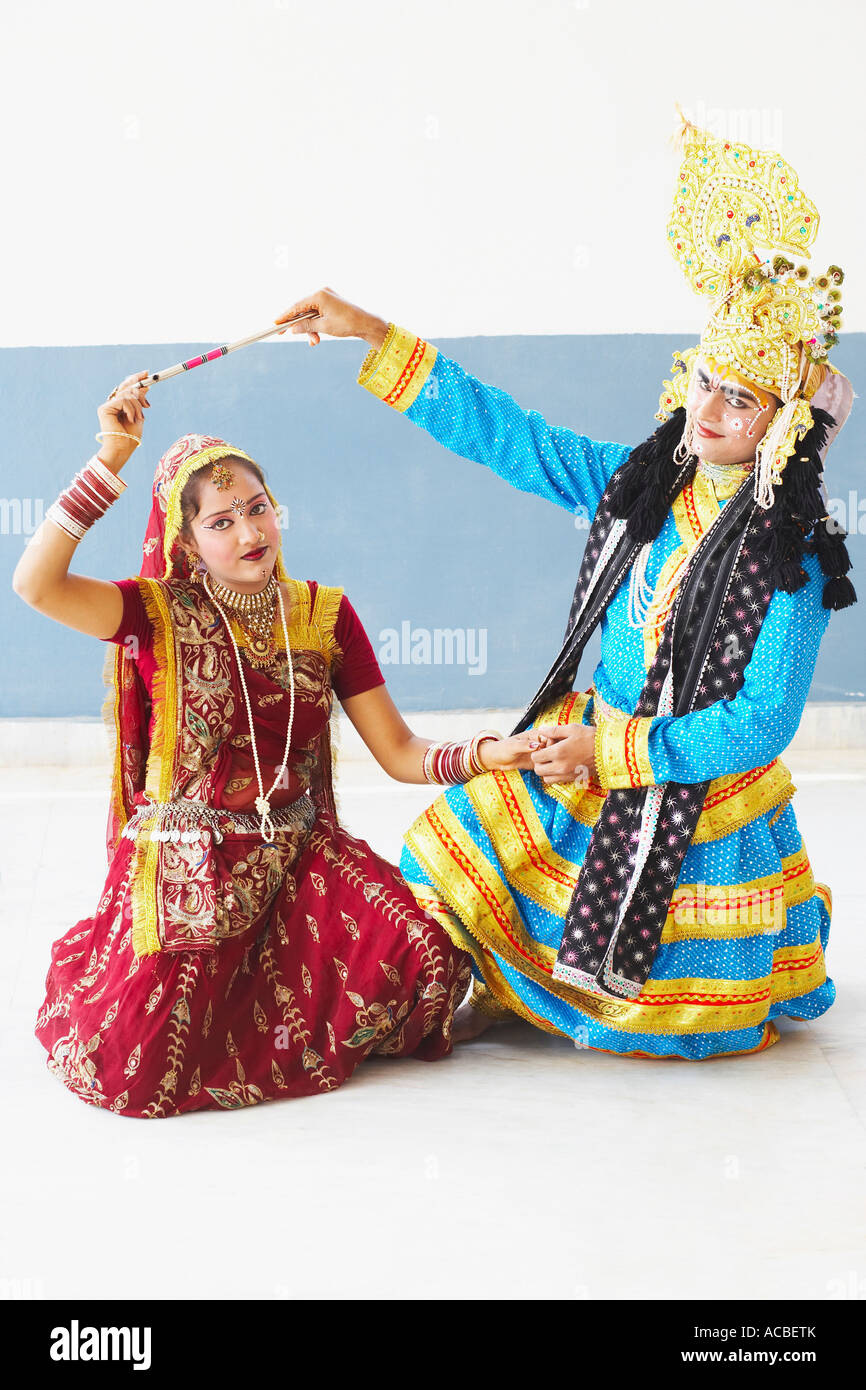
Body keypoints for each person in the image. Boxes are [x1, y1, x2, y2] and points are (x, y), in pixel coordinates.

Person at [273, 115, 857, 1059]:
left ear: (782, 425)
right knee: (451, 859)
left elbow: (760, 725)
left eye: (739, 398)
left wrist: (613, 751)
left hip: (691, 788)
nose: (707, 409)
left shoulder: (792, 557)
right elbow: (511, 437)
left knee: (672, 1014)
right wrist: (372, 334)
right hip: (586, 746)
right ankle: (449, 988)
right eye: (706, 380)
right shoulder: (643, 483)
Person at [13, 371, 544, 1117]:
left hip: (298, 853)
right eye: (221, 522)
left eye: (258, 508)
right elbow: (36, 585)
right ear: (186, 541)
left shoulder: (324, 615)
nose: (250, 533)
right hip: (194, 862)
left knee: (425, 964)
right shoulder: (156, 612)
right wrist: (110, 458)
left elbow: (399, 752)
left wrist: (491, 754)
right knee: (139, 1067)